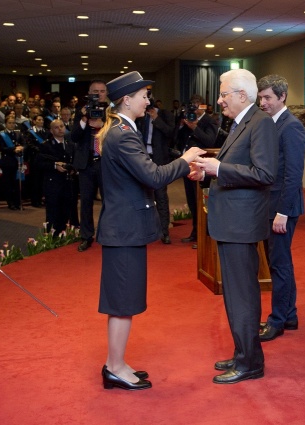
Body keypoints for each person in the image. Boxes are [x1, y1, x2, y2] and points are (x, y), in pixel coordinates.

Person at [97, 71, 205, 391]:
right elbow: (154, 177)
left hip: (124, 228)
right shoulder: (122, 134)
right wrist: (185, 160)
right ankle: (114, 367)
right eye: (143, 95)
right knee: (122, 302)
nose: (148, 100)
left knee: (124, 300)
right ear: (126, 100)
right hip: (123, 230)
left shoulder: (121, 129)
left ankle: (116, 362)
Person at [191, 69, 276, 384]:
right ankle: (244, 354)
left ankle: (250, 362)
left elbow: (264, 172)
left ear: (242, 95)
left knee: (243, 295)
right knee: (237, 294)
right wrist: (209, 173)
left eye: (224, 93)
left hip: (241, 226)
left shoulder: (261, 123)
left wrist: (220, 168)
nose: (219, 99)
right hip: (232, 223)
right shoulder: (243, 123)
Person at [256, 75, 305, 342]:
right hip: (271, 206)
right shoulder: (272, 123)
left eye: (267, 98)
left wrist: (283, 213)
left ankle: (278, 320)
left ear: (282, 97)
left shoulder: (291, 127)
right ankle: (289, 314)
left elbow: (293, 175)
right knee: (280, 262)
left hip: (282, 209)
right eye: (260, 97)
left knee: (279, 264)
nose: (262, 102)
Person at [175, 94, 218, 247]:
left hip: (202, 167)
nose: (194, 108)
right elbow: (177, 139)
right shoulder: (188, 119)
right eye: (191, 104)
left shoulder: (209, 121)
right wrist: (182, 124)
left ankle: (203, 235)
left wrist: (195, 127)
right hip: (188, 165)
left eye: (196, 105)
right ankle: (195, 232)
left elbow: (210, 141)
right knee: (192, 202)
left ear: (202, 106)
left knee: (202, 203)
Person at [71, 80, 108, 252]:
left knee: (109, 200)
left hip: (105, 163)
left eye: (101, 91)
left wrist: (103, 125)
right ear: (88, 93)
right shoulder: (81, 112)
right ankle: (86, 236)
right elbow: (74, 136)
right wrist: (85, 119)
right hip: (86, 163)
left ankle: (107, 234)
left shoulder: (111, 112)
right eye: (95, 91)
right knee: (86, 201)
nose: (98, 94)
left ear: (106, 93)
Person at [136, 97, 175, 244]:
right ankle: (146, 230)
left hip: (159, 160)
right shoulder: (140, 117)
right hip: (143, 159)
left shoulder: (165, 115)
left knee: (160, 195)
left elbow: (171, 132)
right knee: (143, 195)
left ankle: (164, 231)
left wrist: (156, 119)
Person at [36, 119, 77, 233]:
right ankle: (51, 236)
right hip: (53, 183)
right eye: (56, 127)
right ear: (51, 130)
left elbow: (74, 161)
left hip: (67, 183)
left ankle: (65, 235)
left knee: (67, 210)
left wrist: (73, 169)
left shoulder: (70, 144)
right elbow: (39, 163)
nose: (60, 129)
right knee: (53, 212)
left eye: (62, 126)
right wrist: (54, 166)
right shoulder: (46, 145)